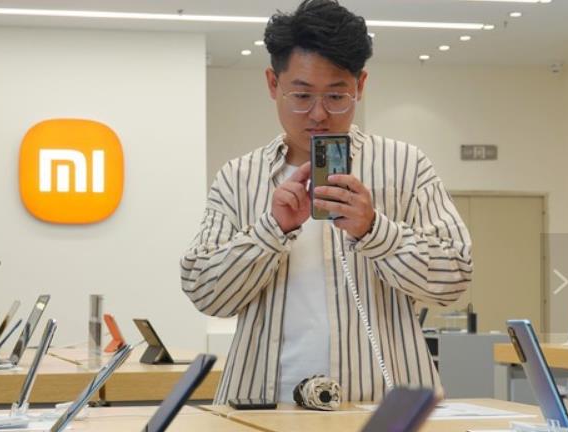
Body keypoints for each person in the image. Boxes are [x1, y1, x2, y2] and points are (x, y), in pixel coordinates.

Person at [181, 0, 472, 404]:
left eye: (337, 96)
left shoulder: (405, 167)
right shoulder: (239, 177)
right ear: (272, 84)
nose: (318, 114)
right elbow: (204, 292)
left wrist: (375, 230)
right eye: (301, 95)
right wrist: (271, 230)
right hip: (262, 407)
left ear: (360, 85)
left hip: (381, 407)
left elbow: (455, 275)